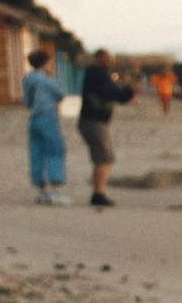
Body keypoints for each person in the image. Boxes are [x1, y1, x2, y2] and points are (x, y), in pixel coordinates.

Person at [78, 49, 134, 210]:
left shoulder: (98, 74)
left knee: (103, 157)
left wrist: (127, 94)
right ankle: (98, 194)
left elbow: (116, 95)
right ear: (99, 58)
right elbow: (110, 93)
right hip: (93, 121)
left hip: (95, 121)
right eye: (108, 58)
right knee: (104, 158)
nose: (110, 61)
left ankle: (99, 192)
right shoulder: (97, 74)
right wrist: (129, 91)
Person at [21, 45, 68, 206]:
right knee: (55, 150)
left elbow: (27, 102)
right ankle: (54, 189)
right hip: (48, 116)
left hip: (33, 118)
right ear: (45, 62)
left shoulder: (28, 79)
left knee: (36, 152)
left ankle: (41, 189)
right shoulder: (48, 80)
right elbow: (60, 95)